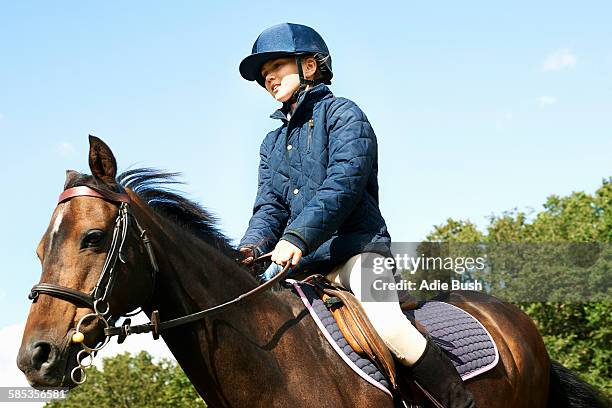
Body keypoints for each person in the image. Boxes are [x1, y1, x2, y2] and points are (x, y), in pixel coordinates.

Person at [237, 23, 475, 408]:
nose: (269, 78)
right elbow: (269, 207)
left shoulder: (344, 114)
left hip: (357, 255)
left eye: (276, 66)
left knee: (392, 328)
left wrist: (296, 237)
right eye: (264, 75)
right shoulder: (271, 144)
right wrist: (249, 248)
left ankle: (461, 404)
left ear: (310, 66)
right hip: (303, 271)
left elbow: (344, 183)